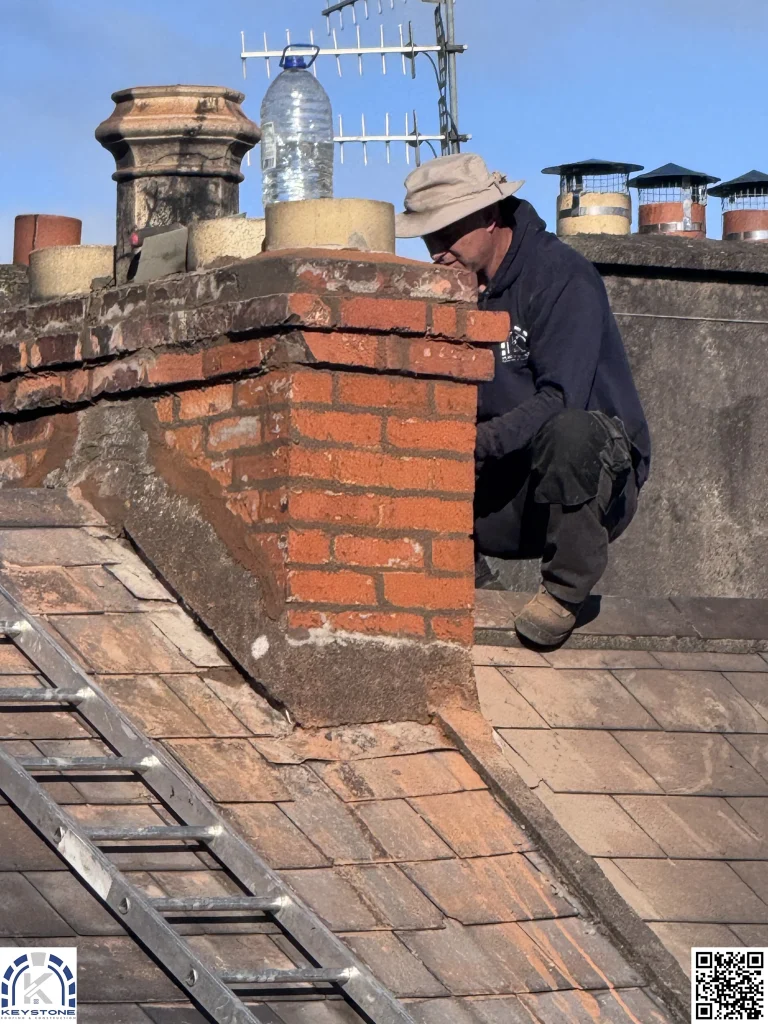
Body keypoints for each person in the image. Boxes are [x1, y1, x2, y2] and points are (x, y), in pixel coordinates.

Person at [396, 153, 651, 647]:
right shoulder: (448, 289)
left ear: (491, 218)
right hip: (505, 485)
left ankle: (563, 592)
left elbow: (561, 399)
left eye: (448, 233)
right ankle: (473, 587)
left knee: (571, 430)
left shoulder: (562, 278)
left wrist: (474, 443)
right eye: (429, 236)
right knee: (405, 436)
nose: (437, 250)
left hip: (591, 487)